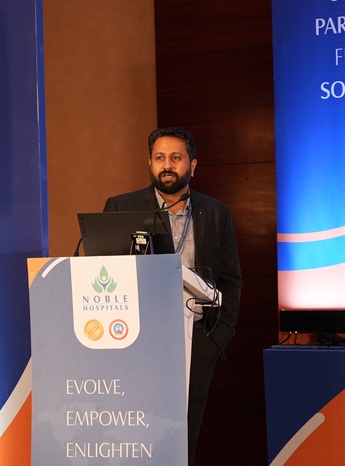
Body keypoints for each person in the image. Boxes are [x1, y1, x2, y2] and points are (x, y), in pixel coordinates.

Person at [103, 126, 243, 465]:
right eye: (160, 158)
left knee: (183, 432)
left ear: (192, 165)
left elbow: (230, 280)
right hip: (135, 339)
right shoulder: (121, 207)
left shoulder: (215, 212)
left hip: (197, 337)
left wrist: (217, 339)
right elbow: (100, 268)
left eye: (176, 158)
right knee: (135, 429)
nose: (167, 165)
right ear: (150, 163)